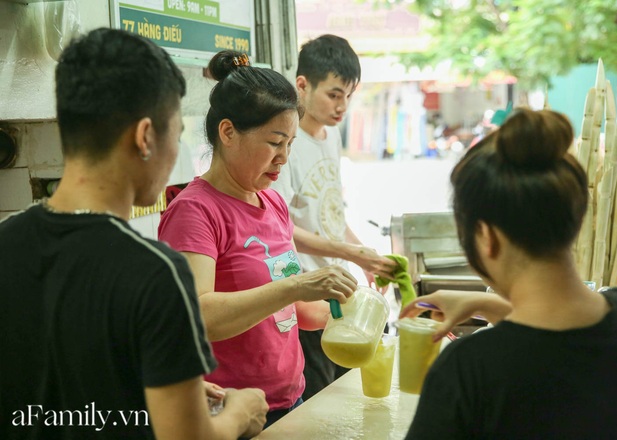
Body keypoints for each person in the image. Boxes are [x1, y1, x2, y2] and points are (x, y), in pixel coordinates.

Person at [0, 29, 269, 440]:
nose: (176, 150)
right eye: (176, 134)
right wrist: (240, 413)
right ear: (145, 137)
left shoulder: (7, 243)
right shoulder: (156, 272)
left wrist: (166, 386)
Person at [401, 108, 617, 439]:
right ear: (576, 216)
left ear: (486, 237)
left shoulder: (469, 369)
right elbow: (559, 344)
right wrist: (484, 305)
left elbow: (538, 349)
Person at [157, 50, 358, 428]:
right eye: (274, 142)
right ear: (228, 132)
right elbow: (198, 316)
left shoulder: (273, 203)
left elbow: (294, 311)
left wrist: (352, 310)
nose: (283, 157)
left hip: (290, 401)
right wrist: (300, 284)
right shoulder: (195, 211)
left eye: (290, 144)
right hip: (230, 417)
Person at [269, 34, 398, 399]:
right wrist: (351, 254)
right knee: (319, 399)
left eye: (347, 96)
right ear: (303, 85)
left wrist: (365, 256)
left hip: (337, 295)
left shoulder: (330, 137)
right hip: (305, 297)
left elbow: (331, 216)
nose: (342, 106)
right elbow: (282, 230)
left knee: (347, 392)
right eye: (333, 94)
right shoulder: (287, 146)